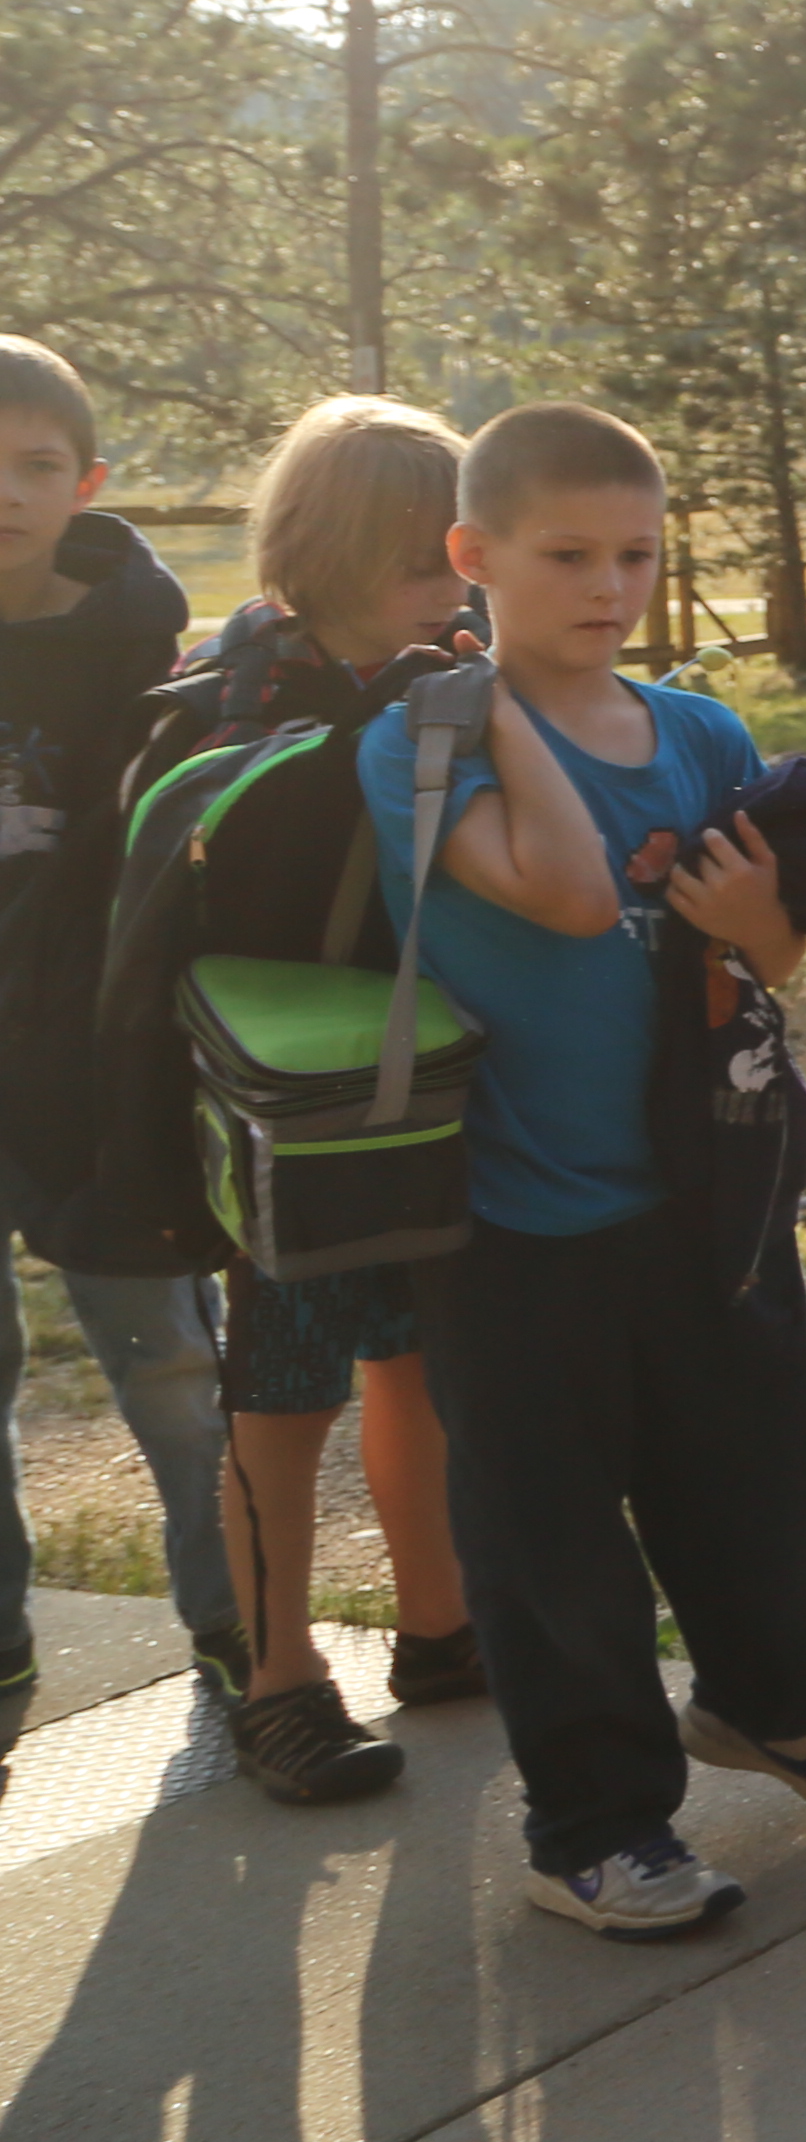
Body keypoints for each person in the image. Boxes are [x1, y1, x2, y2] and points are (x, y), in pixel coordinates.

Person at [390, 401, 806, 1936]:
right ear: (471, 556)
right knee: (552, 1539)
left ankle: (783, 1706)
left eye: (635, 554)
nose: (608, 586)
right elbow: (567, 894)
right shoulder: (420, 740)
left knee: (768, 1481)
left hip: (707, 1199)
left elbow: (766, 961)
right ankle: (597, 1828)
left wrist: (759, 917)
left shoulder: (700, 736)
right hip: (505, 1216)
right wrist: (493, 698)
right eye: (566, 556)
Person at [133, 397, 489, 1803]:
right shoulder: (236, 709)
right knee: (282, 1398)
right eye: (423, 561)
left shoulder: (449, 677)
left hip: (414, 1092)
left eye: (463, 555)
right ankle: (277, 1676)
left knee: (415, 1364)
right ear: (327, 558)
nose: (454, 583)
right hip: (282, 1113)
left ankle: (442, 1623)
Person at [0, 331, 241, 1716]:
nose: (11, 491)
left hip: (97, 1074)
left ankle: (234, 1625)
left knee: (170, 1370)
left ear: (86, 483)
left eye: (39, 465)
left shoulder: (137, 658)